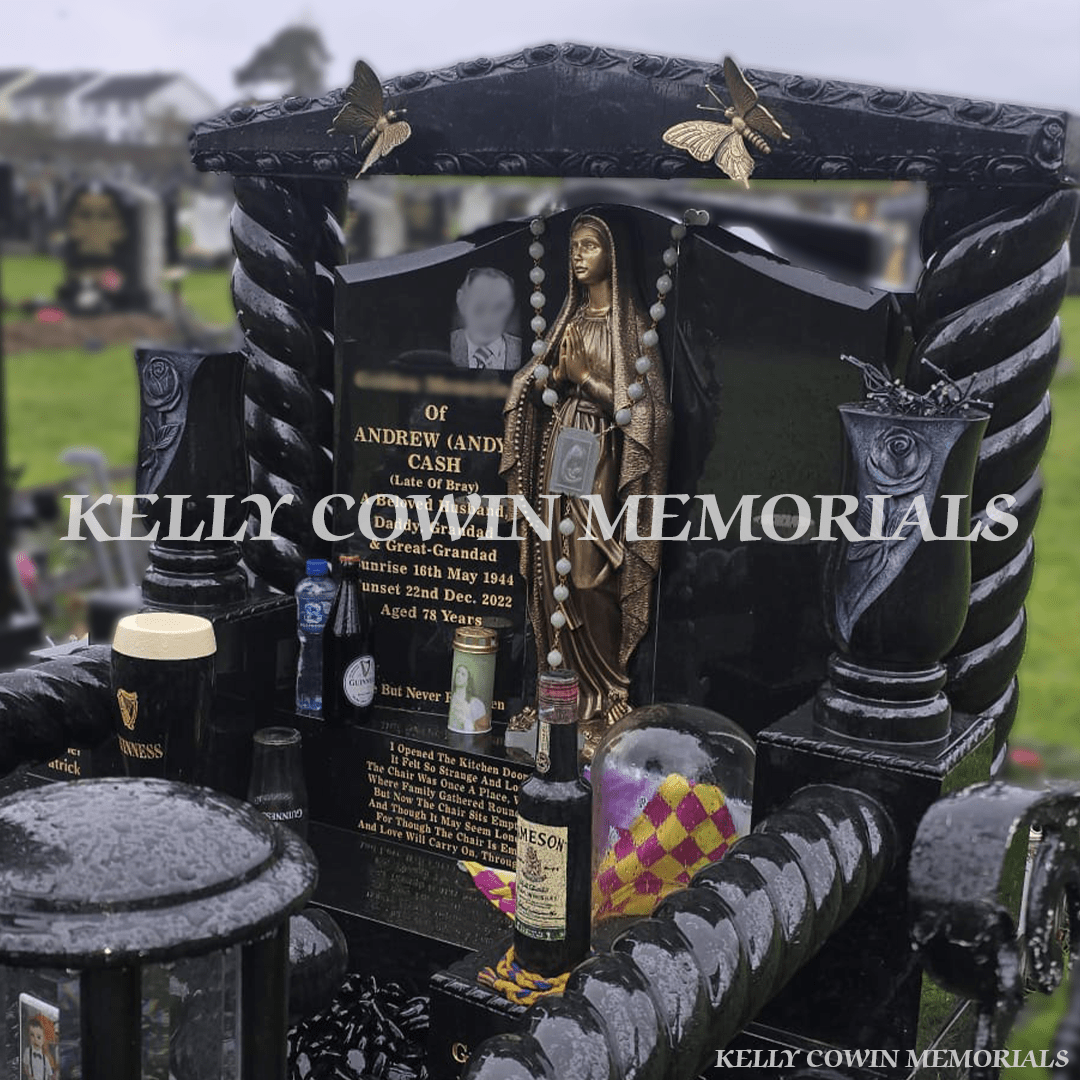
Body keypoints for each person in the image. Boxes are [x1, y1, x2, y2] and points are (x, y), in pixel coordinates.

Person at [501, 211, 671, 748]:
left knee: (589, 577)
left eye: (589, 246)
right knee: (550, 568)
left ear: (613, 255)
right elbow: (546, 384)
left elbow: (650, 414)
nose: (577, 255)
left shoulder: (633, 326)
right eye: (573, 245)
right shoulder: (570, 319)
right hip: (563, 452)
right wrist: (545, 380)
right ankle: (557, 695)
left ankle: (606, 691)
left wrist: (586, 380)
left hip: (603, 460)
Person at [450, 267, 522, 370]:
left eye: (499, 306)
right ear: (461, 301)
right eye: (481, 304)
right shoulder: (444, 347)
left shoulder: (526, 350)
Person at [448, 663, 489, 732]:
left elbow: (480, 727)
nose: (459, 675)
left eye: (463, 674)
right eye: (458, 672)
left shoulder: (476, 703)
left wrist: (464, 720)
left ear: (467, 680)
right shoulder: (450, 698)